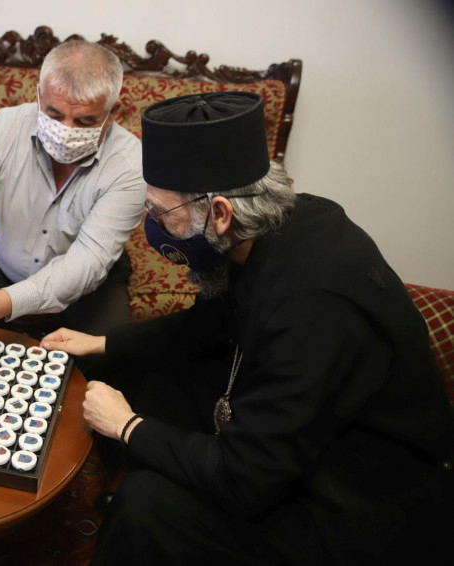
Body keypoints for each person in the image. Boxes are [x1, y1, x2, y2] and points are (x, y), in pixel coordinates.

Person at [41, 92, 454, 565]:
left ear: (219, 213)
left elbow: (246, 479)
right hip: (288, 431)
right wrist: (104, 343)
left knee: (144, 505)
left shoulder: (313, 309)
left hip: (357, 499)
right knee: (132, 374)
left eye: (159, 213)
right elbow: (206, 327)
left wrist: (128, 427)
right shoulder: (267, 227)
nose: (150, 226)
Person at [0, 40, 145, 335]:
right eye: (54, 114)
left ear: (112, 112)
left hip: (90, 286)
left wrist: (7, 302)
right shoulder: (5, 128)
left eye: (85, 121)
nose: (66, 131)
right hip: (3, 263)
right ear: (39, 95)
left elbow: (87, 263)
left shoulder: (131, 165)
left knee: (107, 350)